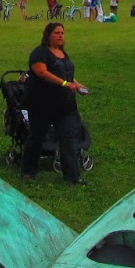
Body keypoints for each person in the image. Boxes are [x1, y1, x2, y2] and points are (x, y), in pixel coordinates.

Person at [22, 21, 88, 184]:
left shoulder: (63, 53)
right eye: (57, 33)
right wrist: (65, 84)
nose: (60, 36)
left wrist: (76, 84)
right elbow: (42, 73)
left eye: (62, 33)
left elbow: (66, 73)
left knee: (68, 138)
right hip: (42, 104)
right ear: (48, 35)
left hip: (65, 106)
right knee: (37, 137)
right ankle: (28, 171)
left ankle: (72, 176)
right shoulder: (40, 53)